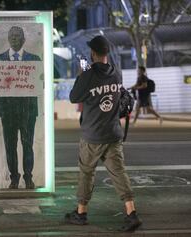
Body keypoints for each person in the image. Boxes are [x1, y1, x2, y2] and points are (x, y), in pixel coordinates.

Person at [67, 35, 142, 232]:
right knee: (119, 172)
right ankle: (131, 212)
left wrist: (81, 74)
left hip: (93, 135)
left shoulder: (88, 75)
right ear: (107, 53)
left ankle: (81, 213)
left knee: (86, 172)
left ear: (92, 53)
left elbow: (74, 97)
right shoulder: (116, 73)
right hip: (113, 133)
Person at [0, 26, 41, 189]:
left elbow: (40, 83)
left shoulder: (35, 59)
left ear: (23, 39)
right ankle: (14, 177)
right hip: (8, 111)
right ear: (7, 38)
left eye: (17, 36)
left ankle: (28, 177)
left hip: (28, 111)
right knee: (10, 146)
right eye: (11, 35)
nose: (14, 38)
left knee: (28, 145)